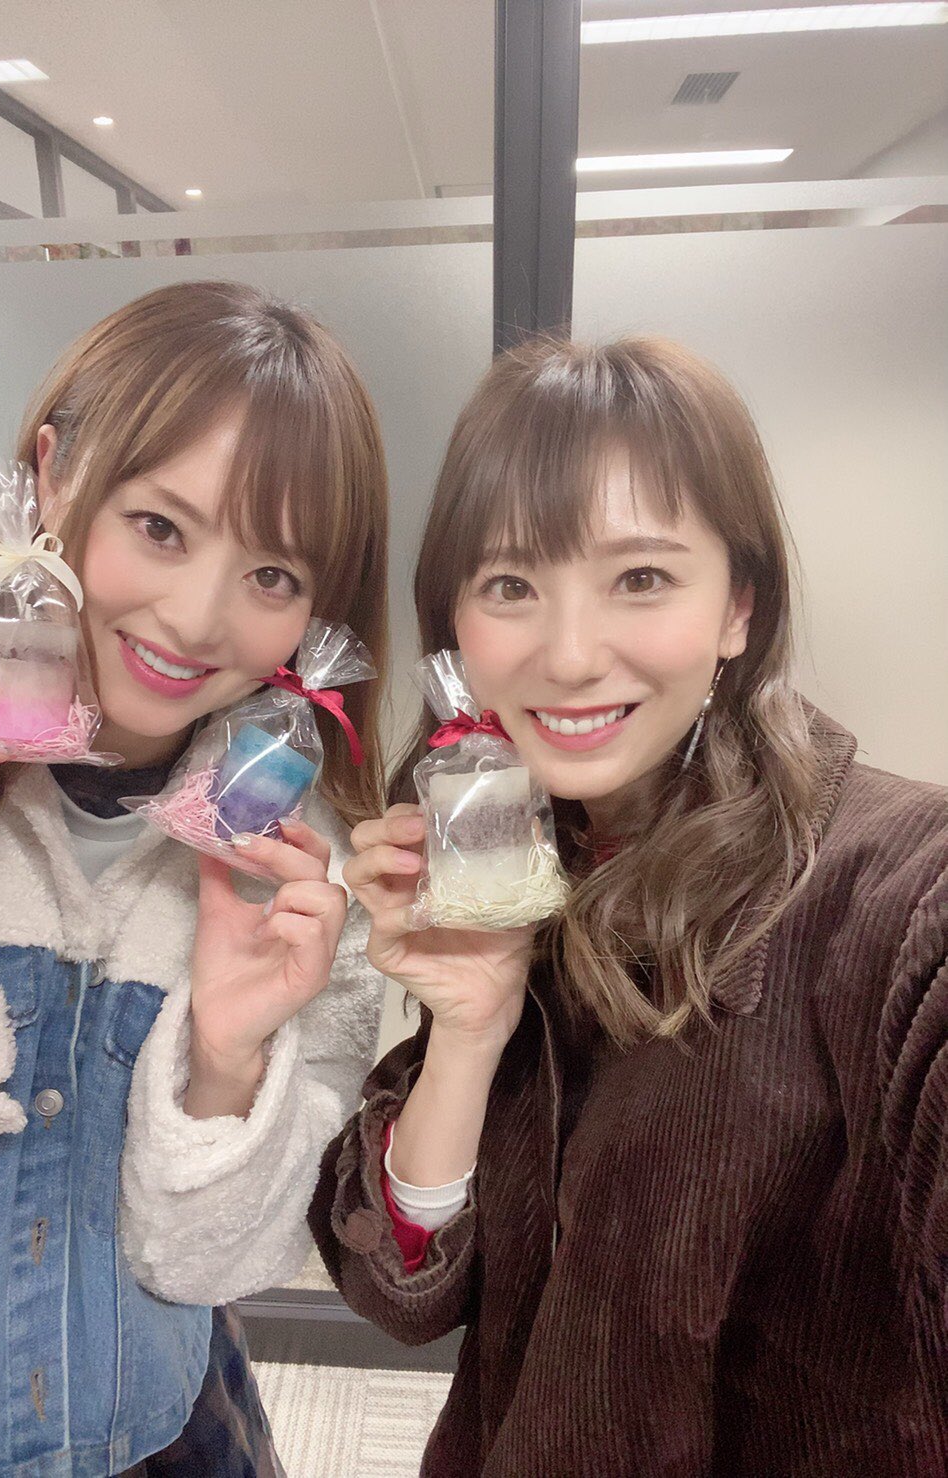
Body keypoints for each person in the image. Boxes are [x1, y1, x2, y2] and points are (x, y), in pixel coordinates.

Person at [311, 335, 948, 1476]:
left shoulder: (898, 888)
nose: (567, 655)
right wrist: (467, 1032)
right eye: (511, 586)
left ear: (739, 605)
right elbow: (401, 1289)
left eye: (641, 578)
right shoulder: (506, 859)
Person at [0, 280, 389, 1478]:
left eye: (273, 575)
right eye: (160, 526)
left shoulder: (300, 868)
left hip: (163, 1434)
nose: (194, 618)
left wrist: (228, 1060)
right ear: (51, 474)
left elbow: (217, 1263)